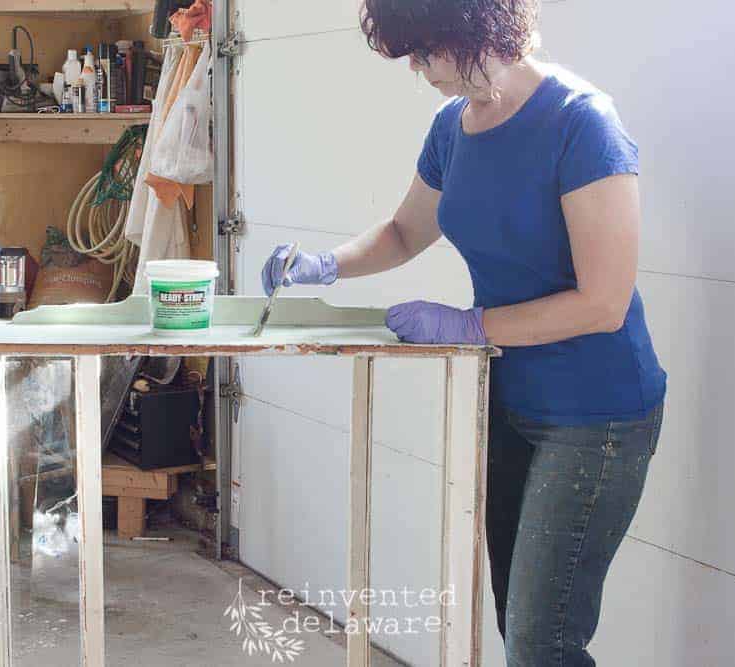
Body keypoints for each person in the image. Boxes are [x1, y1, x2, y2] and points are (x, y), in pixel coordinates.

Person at [260, 1, 667, 664]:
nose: (420, 70)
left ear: (471, 28)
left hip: (599, 415)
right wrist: (325, 264)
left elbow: (605, 302)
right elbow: (403, 233)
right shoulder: (454, 128)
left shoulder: (582, 122)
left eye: (425, 52)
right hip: (509, 401)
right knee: (520, 622)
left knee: (545, 638)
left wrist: (470, 323)